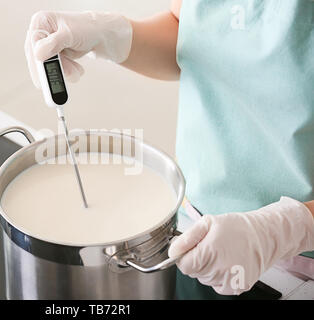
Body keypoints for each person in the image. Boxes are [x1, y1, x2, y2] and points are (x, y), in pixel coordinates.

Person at [24, 0, 314, 299]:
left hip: (299, 266)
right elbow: (190, 33)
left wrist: (284, 229)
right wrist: (110, 33)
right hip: (193, 226)